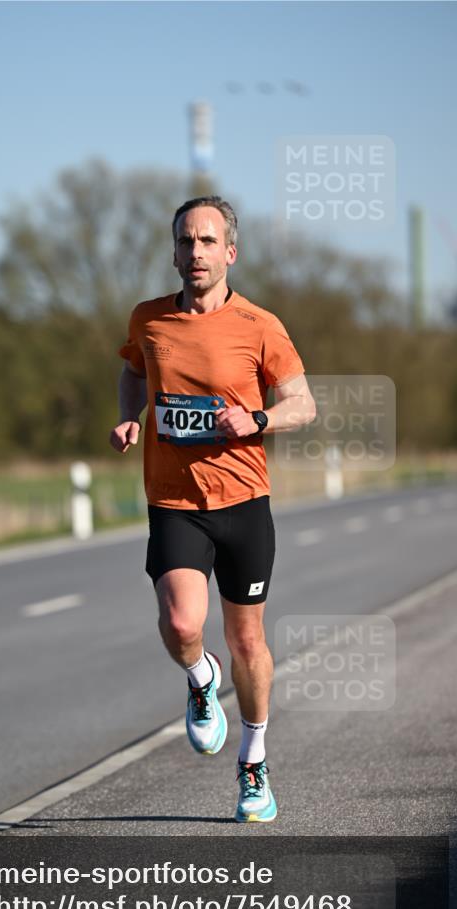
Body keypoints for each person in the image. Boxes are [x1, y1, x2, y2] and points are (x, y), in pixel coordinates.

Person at [109, 196, 315, 822]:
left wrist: (255, 417)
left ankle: (253, 762)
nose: (194, 252)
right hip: (174, 502)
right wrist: (130, 414)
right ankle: (202, 679)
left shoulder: (259, 325)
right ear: (173, 252)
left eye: (206, 240)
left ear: (230, 251)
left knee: (247, 637)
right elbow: (133, 372)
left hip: (244, 501)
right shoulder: (149, 319)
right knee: (179, 624)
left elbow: (303, 404)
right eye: (184, 241)